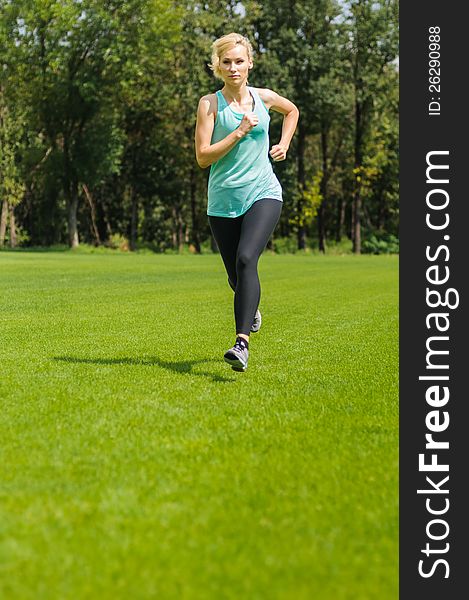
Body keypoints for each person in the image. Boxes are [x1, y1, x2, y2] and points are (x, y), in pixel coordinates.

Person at [195, 32, 299, 372]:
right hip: (223, 200)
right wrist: (238, 132)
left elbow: (292, 110)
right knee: (236, 279)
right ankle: (249, 306)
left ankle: (241, 344)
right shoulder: (209, 104)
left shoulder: (263, 97)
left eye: (239, 61)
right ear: (217, 67)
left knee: (245, 259)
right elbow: (203, 157)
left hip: (263, 192)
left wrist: (283, 142)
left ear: (250, 63)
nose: (233, 67)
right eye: (226, 62)